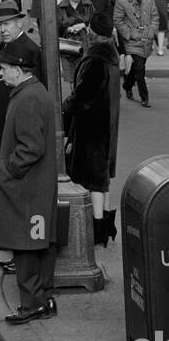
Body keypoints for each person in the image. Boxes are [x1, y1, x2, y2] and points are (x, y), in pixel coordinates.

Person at [0, 37, 59, 324]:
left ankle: (32, 304)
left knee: (26, 248)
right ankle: (43, 300)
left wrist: (10, 169)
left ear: (18, 70)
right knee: (38, 247)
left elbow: (31, 147)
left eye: (4, 68)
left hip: (27, 188)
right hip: (35, 186)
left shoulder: (28, 97)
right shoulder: (33, 92)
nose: (1, 73)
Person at [62, 15, 120, 247]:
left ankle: (97, 230)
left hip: (92, 129)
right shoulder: (110, 58)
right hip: (107, 126)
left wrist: (65, 106)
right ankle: (105, 225)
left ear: (94, 33)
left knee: (94, 181)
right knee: (103, 180)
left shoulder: (95, 60)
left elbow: (83, 96)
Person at [0, 2, 41, 196]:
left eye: (6, 24)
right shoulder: (3, 47)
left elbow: (35, 92)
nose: (2, 30)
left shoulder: (29, 49)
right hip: (0, 124)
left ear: (19, 22)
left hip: (15, 128)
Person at [113, 0, 159, 108]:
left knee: (138, 66)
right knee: (140, 68)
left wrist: (151, 31)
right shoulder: (121, 0)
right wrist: (129, 33)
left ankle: (127, 85)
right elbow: (118, 20)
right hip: (132, 40)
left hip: (147, 38)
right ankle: (145, 97)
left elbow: (155, 16)